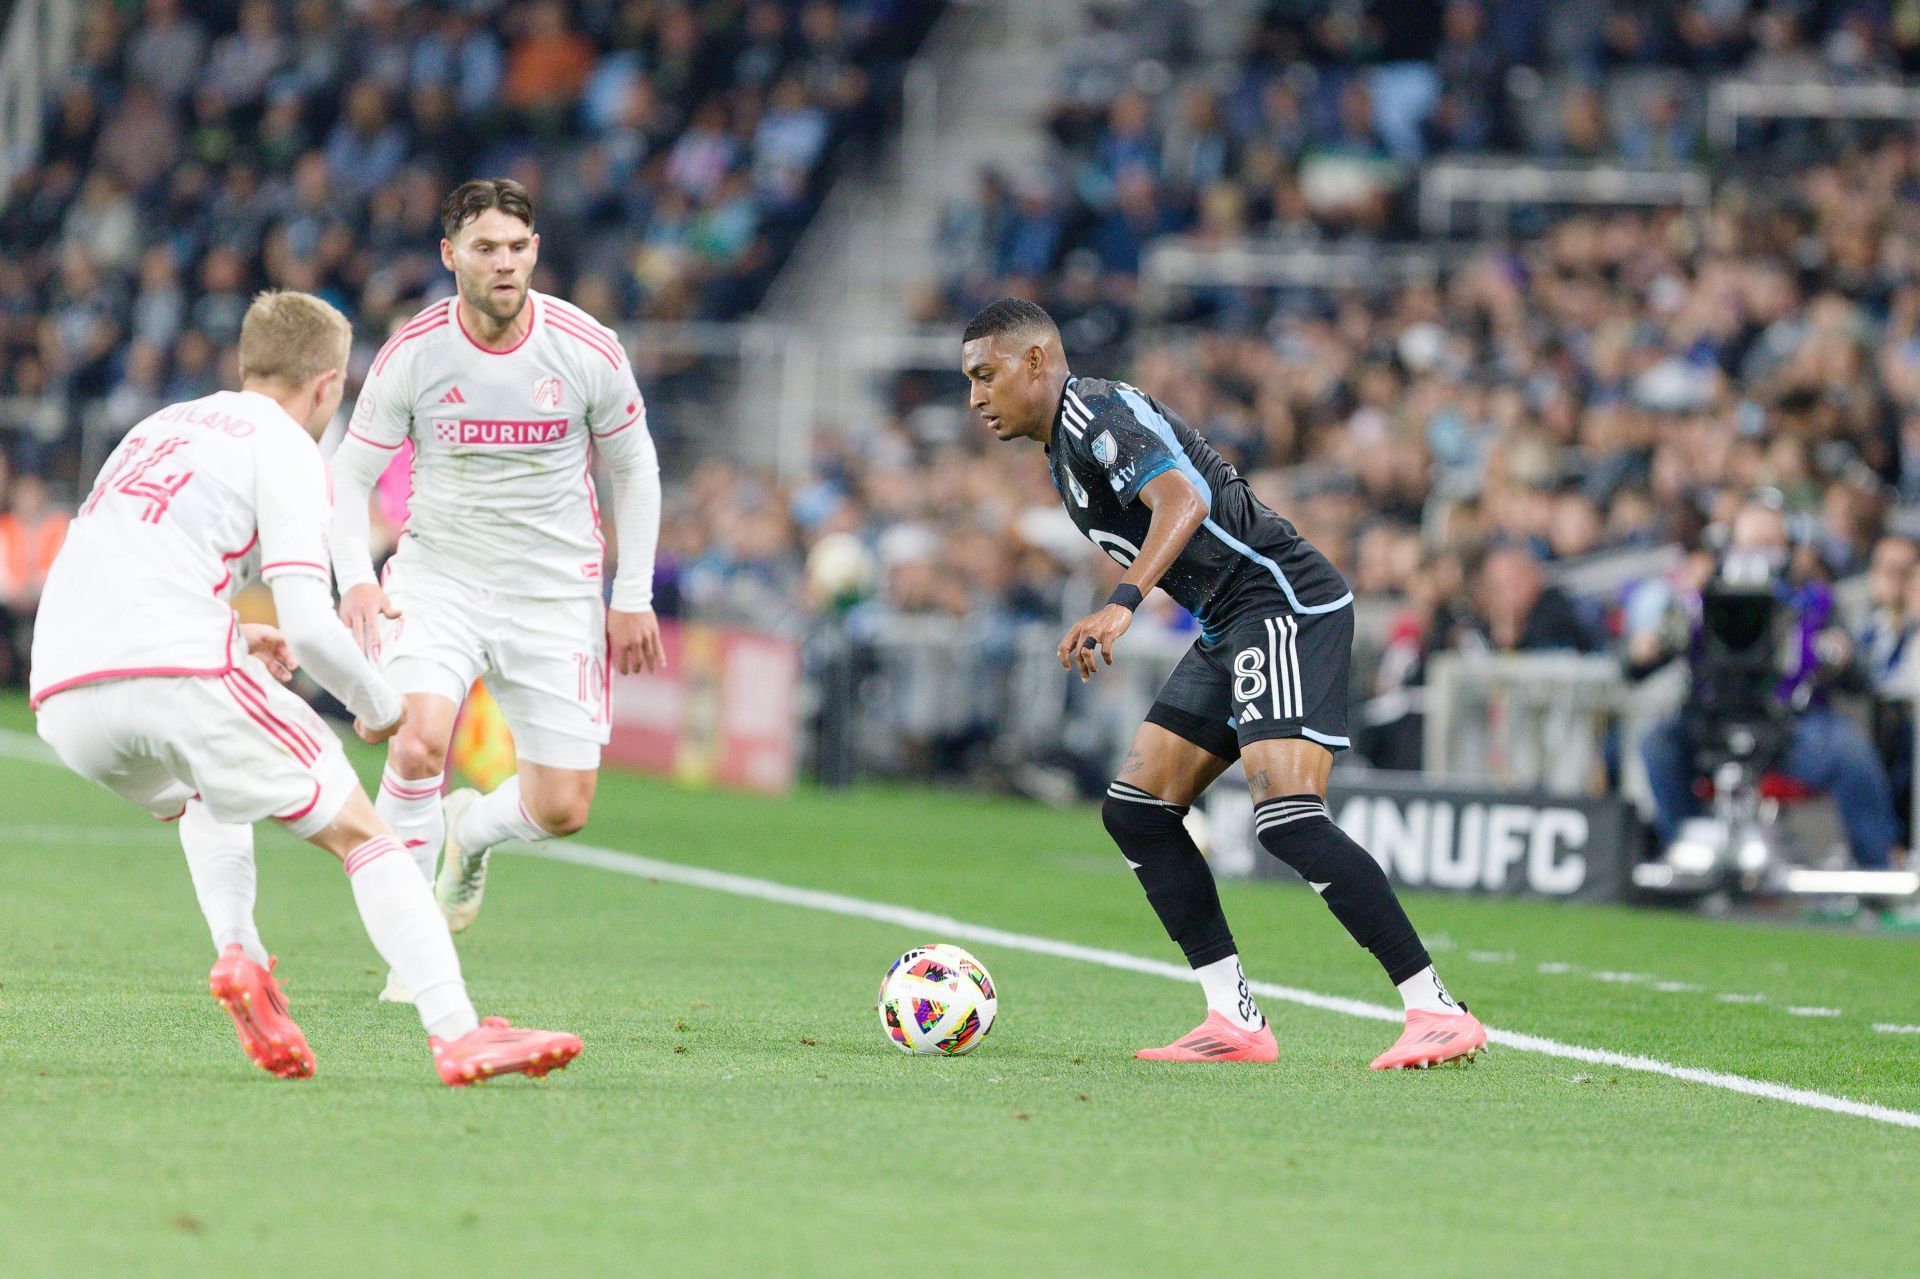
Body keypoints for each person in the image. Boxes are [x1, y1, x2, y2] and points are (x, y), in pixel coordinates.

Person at [29, 289, 581, 1085]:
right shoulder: (287, 447)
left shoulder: (159, 427)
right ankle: (460, 1032)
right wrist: (383, 705)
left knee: (204, 785)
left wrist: (227, 627)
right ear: (327, 385)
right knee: (367, 835)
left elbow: (135, 553)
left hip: (63, 688)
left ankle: (240, 952)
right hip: (171, 664)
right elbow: (315, 625)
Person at [959, 298, 1485, 1070]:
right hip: (1226, 620)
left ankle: (1434, 1007)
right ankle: (1232, 1017)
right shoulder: (1062, 449)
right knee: (1137, 812)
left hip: (1280, 602)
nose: (975, 397)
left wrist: (1121, 603)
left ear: (1035, 360)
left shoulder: (1095, 412)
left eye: (985, 375)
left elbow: (1186, 500)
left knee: (1289, 818)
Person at [330, 179, 664, 1000]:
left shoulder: (586, 347)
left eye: (517, 247)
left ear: (535, 251)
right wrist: (358, 581)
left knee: (563, 808)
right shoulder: (415, 352)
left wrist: (634, 592)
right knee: (416, 741)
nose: (504, 263)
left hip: (554, 593)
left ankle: (470, 833)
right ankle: (416, 960)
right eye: (485, 248)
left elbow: (636, 467)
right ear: (451, 257)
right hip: (439, 578)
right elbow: (349, 473)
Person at [1636, 501, 1903, 868]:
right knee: (1659, 743)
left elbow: (1858, 678)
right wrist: (1651, 643)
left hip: (1789, 726)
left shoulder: (1813, 602)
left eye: (1769, 542)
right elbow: (1638, 662)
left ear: (1790, 547)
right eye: (1752, 542)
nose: (1760, 554)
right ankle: (1686, 850)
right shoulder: (1700, 601)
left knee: (1848, 748)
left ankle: (1877, 868)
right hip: (1714, 722)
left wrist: (1839, 655)